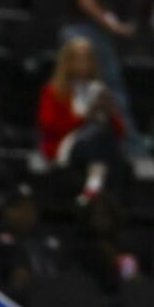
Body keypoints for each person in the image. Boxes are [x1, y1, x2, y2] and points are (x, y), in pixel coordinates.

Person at [37, 36, 127, 200]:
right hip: (65, 146)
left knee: (104, 137)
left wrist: (110, 111)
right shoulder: (53, 90)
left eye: (87, 58)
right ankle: (94, 190)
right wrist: (85, 116)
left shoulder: (98, 90)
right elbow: (50, 125)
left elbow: (119, 132)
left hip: (97, 146)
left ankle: (93, 189)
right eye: (78, 58)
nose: (83, 63)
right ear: (67, 61)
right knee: (97, 135)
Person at [0, 183, 64, 297]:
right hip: (10, 297)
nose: (25, 213)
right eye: (18, 207)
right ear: (6, 210)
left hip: (58, 295)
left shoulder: (50, 236)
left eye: (29, 207)